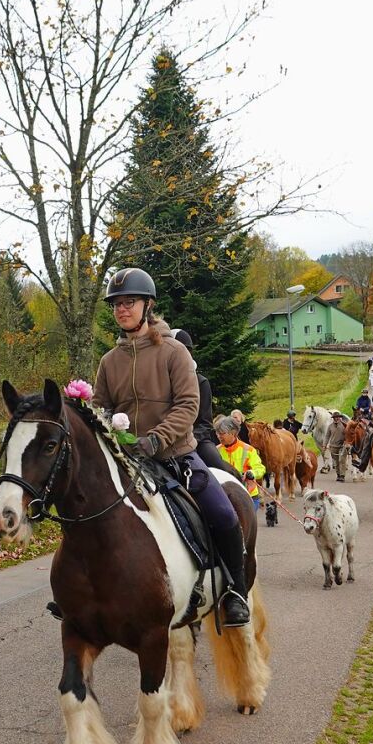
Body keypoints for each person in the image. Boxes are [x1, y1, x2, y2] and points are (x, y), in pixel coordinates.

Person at [93, 267, 250, 626]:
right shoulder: (109, 362)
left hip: (175, 456)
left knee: (224, 515)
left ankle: (236, 592)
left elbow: (188, 406)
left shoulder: (174, 352)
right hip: (127, 460)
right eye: (116, 304)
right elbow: (101, 407)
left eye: (128, 302)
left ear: (147, 305)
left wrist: (157, 438)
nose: (121, 309)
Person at [170, 328, 238, 478]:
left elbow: (205, 424)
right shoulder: (159, 383)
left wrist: (188, 438)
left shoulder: (201, 382)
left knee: (222, 471)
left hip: (196, 440)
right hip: (164, 441)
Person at [214, 416, 266, 512]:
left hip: (248, 497)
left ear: (233, 433)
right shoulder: (215, 451)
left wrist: (252, 473)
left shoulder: (248, 450)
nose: (219, 436)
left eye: (222, 433)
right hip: (225, 497)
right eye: (217, 433)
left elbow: (260, 469)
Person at [325, 410, 348, 482]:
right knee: (336, 462)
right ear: (333, 418)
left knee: (342, 460)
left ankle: (342, 475)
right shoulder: (330, 426)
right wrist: (324, 445)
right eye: (335, 417)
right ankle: (338, 475)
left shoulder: (344, 425)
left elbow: (348, 435)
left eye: (338, 417)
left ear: (340, 418)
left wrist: (346, 442)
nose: (337, 418)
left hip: (342, 446)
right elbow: (327, 436)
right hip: (333, 446)